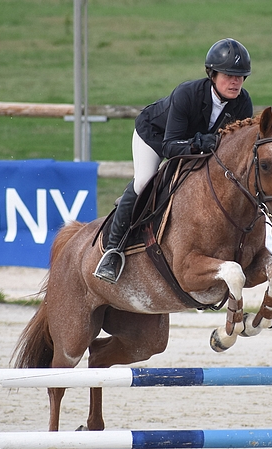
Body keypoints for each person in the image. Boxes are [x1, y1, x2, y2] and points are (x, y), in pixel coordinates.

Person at [94, 38, 254, 283]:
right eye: (228, 75)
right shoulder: (187, 94)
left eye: (240, 76)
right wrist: (199, 143)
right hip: (155, 136)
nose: (235, 82)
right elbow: (170, 146)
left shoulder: (243, 103)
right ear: (212, 74)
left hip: (196, 148)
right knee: (144, 181)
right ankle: (113, 250)